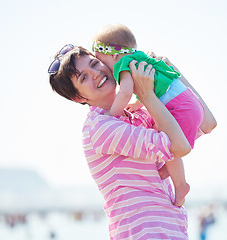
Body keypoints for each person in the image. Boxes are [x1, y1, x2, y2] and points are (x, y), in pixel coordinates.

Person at [48, 44, 216, 239]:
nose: (95, 73)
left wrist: (171, 73)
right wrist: (146, 94)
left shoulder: (136, 115)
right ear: (78, 97)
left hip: (172, 230)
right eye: (83, 77)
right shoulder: (100, 127)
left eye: (94, 64)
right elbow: (178, 147)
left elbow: (207, 122)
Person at [91, 23, 207, 206]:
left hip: (180, 109)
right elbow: (152, 90)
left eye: (101, 61)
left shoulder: (123, 64)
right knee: (163, 141)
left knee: (169, 144)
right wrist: (138, 104)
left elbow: (126, 92)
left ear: (113, 55)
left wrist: (112, 113)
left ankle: (180, 184)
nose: (103, 68)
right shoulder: (141, 59)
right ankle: (165, 174)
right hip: (190, 102)